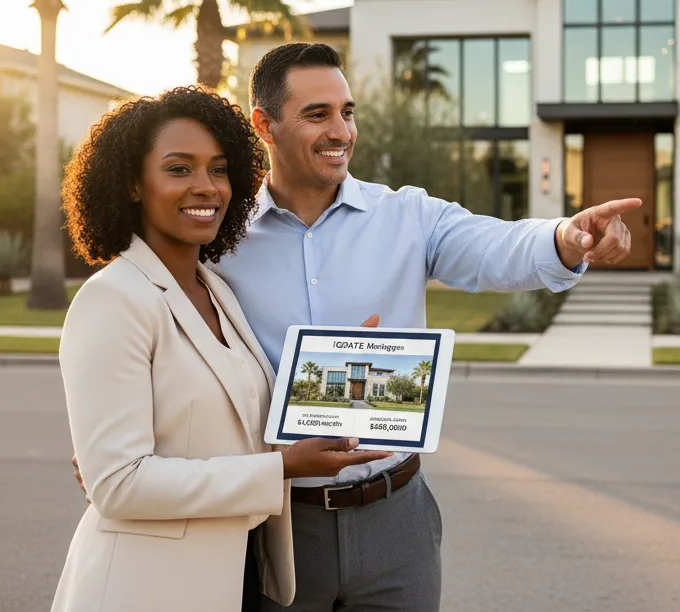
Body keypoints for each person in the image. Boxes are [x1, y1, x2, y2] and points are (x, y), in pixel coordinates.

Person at [73, 44, 640, 610]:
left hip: (397, 518)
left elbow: (498, 246)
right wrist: (122, 467)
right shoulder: (216, 236)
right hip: (276, 527)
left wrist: (567, 237)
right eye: (317, 114)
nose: (340, 129)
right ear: (263, 125)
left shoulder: (408, 216)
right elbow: (158, 350)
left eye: (347, 112)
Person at [52, 85, 391, 612]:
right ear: (133, 185)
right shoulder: (113, 300)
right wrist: (281, 470)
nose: (206, 187)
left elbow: (235, 424)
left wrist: (342, 365)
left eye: (219, 169)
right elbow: (118, 484)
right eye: (179, 169)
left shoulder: (216, 290)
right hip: (145, 587)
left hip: (236, 577)